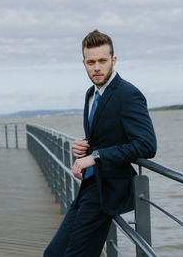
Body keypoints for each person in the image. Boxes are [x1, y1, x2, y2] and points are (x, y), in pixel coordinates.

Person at [44, 30, 157, 257]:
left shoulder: (128, 94)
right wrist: (85, 145)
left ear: (113, 60)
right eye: (91, 62)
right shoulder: (91, 93)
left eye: (103, 61)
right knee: (53, 254)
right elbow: (107, 133)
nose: (97, 67)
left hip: (108, 191)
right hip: (88, 186)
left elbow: (147, 145)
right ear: (84, 63)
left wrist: (95, 157)